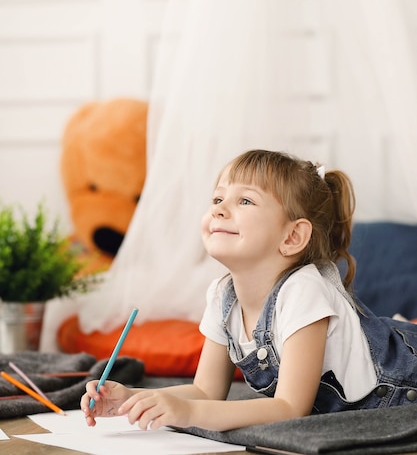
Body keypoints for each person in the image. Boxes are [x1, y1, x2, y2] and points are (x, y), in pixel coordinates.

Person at [81, 149, 417, 431]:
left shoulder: (304, 291)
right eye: (217, 197)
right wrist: (133, 399)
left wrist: (189, 414)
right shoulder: (222, 295)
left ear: (292, 237)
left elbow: (290, 408)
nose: (219, 208)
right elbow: (205, 391)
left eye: (244, 200)